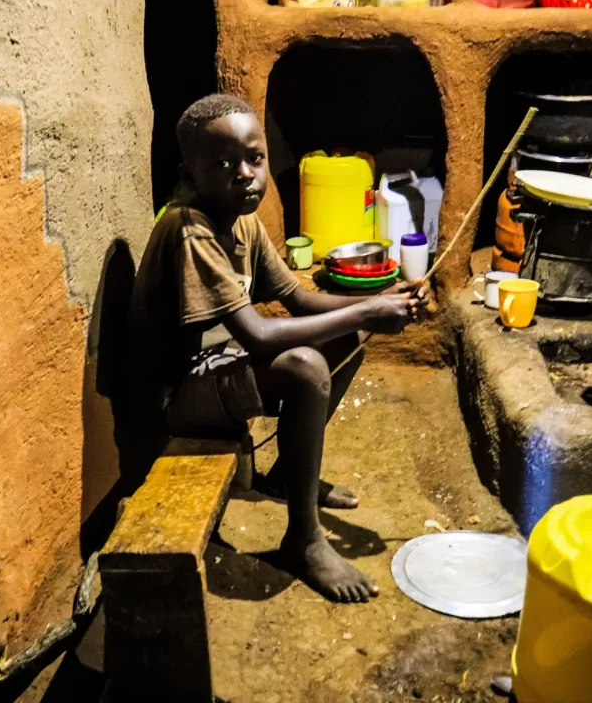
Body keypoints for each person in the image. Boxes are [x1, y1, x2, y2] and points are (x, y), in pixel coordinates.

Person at [127, 94, 428, 603]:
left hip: (207, 372)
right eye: (223, 164)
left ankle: (288, 476)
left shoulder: (239, 217)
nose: (245, 174)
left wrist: (379, 299)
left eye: (255, 158)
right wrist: (366, 311)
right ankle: (304, 540)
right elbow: (258, 336)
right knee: (306, 367)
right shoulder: (190, 229)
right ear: (190, 171)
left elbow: (295, 296)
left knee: (341, 337)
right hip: (171, 400)